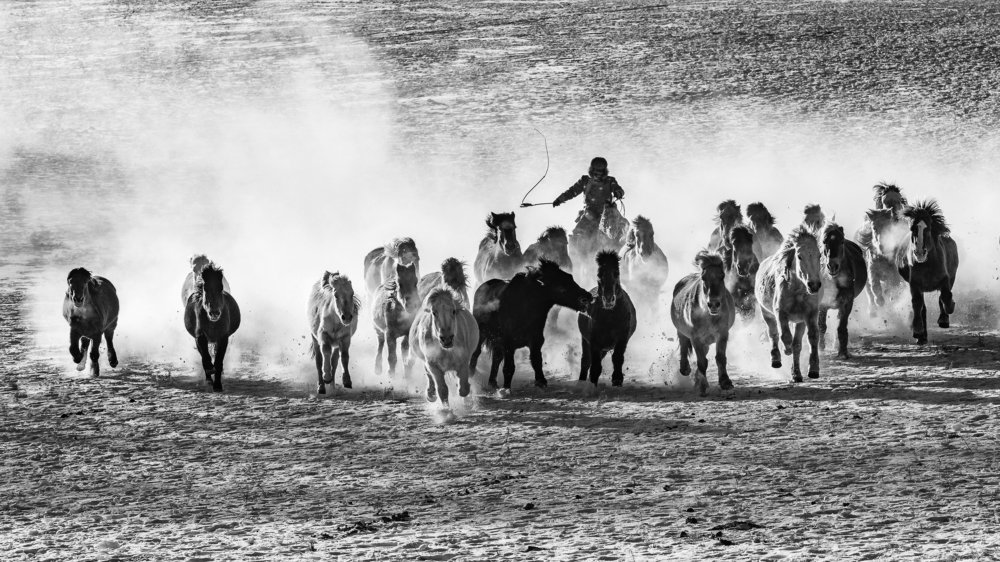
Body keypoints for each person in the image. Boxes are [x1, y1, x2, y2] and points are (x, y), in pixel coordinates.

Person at [552, 157, 626, 240]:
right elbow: (572, 191)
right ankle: (574, 251)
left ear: (604, 171)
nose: (598, 174)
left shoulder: (610, 181)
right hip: (590, 212)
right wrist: (560, 199)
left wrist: (618, 192)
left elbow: (618, 189)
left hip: (608, 212)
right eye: (596, 171)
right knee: (577, 233)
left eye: (601, 171)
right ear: (592, 170)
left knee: (622, 228)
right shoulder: (585, 181)